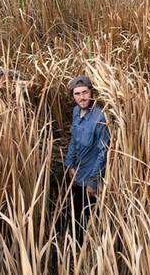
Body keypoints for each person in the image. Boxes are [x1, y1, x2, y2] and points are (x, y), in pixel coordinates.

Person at [63, 75, 110, 244]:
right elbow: (73, 141)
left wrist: (93, 182)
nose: (82, 97)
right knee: (75, 212)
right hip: (77, 174)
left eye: (85, 92)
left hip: (90, 179)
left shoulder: (100, 118)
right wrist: (70, 165)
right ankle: (73, 244)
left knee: (87, 218)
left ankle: (86, 252)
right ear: (73, 96)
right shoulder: (76, 112)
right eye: (77, 94)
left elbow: (102, 152)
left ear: (91, 93)